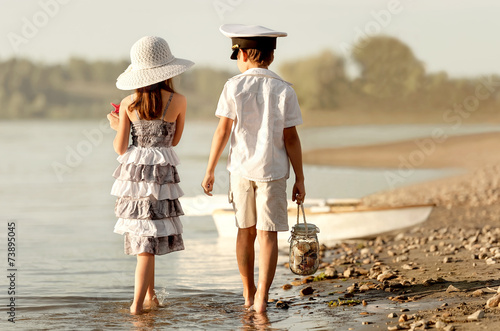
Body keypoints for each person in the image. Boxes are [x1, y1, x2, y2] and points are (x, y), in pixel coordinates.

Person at [201, 24, 306, 313]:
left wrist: (210, 170)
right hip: (272, 172)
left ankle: (247, 293)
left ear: (244, 54)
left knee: (244, 231)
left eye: (236, 54)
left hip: (240, 171)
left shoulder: (233, 86)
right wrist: (300, 178)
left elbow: (222, 131)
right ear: (271, 56)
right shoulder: (284, 89)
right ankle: (261, 299)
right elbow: (291, 138)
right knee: (267, 234)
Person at [107, 36, 194, 315]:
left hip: (135, 177)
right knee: (150, 237)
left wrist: (118, 123)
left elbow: (120, 148)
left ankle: (136, 307)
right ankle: (149, 298)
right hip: (162, 177)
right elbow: (174, 141)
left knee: (144, 242)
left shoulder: (129, 103)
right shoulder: (179, 101)